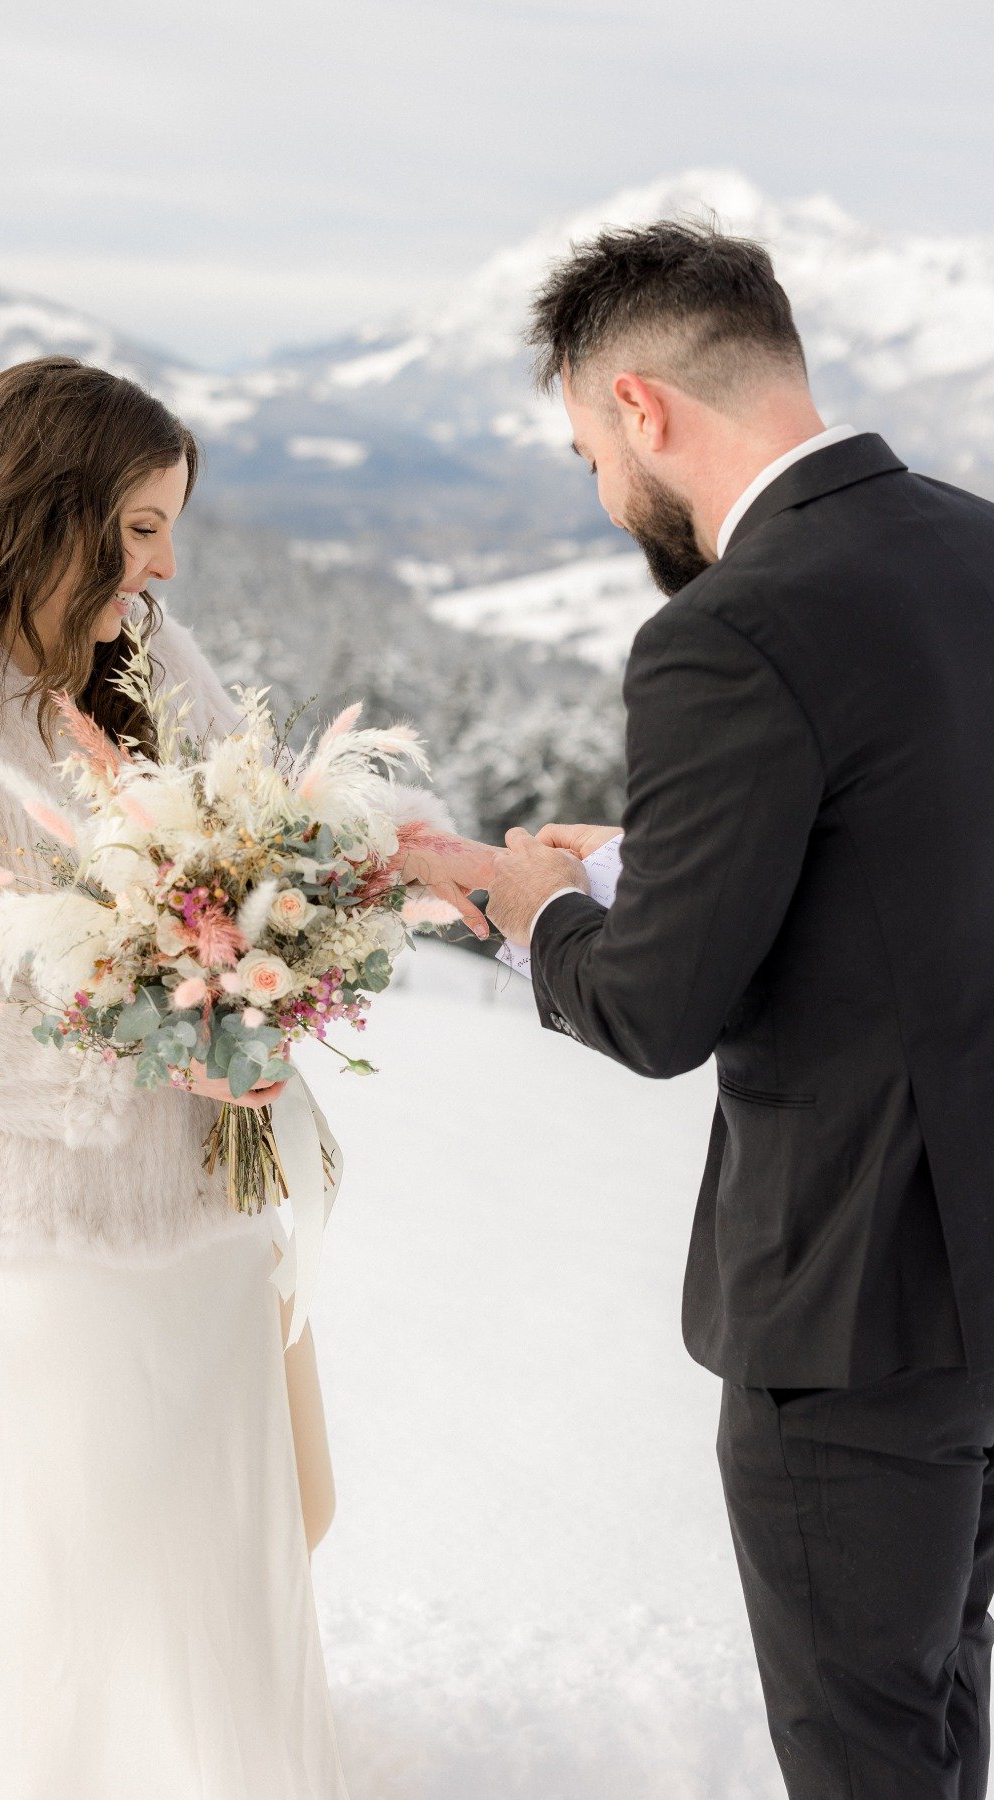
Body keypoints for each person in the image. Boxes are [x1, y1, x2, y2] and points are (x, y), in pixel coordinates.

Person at [485, 221, 994, 1799]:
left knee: (863, 1749)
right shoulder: (976, 544)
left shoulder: (722, 630)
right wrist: (655, 858)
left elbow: (653, 1011)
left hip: (852, 1302)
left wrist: (526, 912)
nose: (600, 493)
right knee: (941, 1708)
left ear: (641, 409)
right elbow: (921, 839)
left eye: (586, 455)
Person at [0, 357, 353, 1799]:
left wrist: (278, 956)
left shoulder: (148, 654)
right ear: (42, 516)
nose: (165, 564)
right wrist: (154, 1042)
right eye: (138, 528)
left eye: (170, 526)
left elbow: (259, 831)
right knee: (73, 1576)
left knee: (228, 1549)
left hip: (204, 1214)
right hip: (31, 1247)